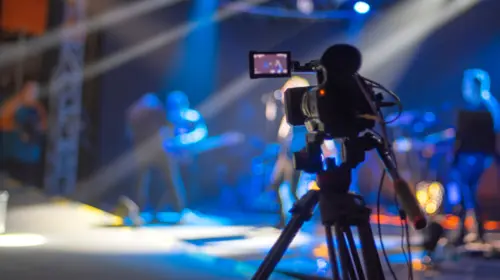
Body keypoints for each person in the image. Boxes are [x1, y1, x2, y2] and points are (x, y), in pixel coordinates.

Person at [126, 91, 207, 225]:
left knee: (171, 182)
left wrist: (183, 141)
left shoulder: (189, 116)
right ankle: (154, 211)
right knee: (162, 182)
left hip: (173, 153)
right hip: (164, 152)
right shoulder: (162, 114)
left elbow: (199, 132)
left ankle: (179, 211)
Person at [449, 69, 500, 246]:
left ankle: (469, 231)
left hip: (472, 156)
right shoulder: (485, 106)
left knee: (467, 193)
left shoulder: (484, 107)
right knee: (467, 193)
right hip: (473, 156)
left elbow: (487, 137)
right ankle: (474, 230)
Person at [267, 76, 310, 228]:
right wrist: (271, 103)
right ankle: (286, 219)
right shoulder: (288, 113)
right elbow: (271, 120)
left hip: (295, 154)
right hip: (285, 155)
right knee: (278, 185)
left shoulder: (302, 113)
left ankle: (301, 216)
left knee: (292, 188)